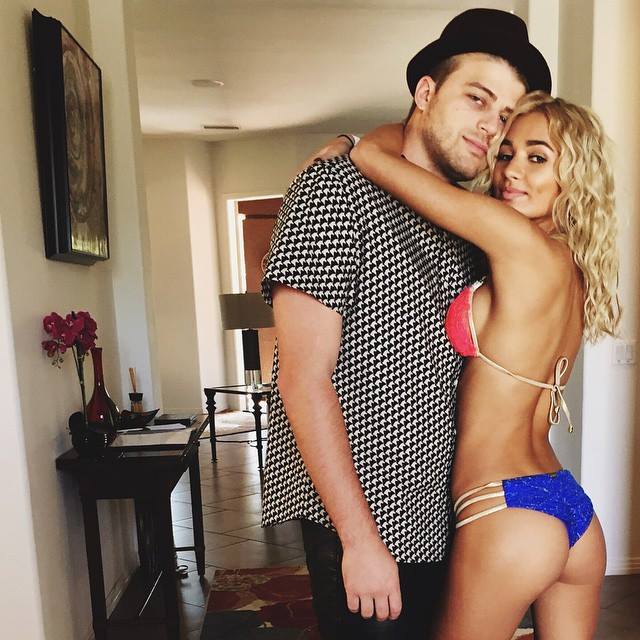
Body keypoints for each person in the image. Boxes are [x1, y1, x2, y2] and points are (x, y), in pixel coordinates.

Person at [261, 9, 551, 639]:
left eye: (506, 115)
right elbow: (302, 380)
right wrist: (359, 541)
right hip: (367, 521)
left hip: (452, 516)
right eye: (477, 98)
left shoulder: (470, 219)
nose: (491, 126)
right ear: (426, 92)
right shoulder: (335, 190)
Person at [344, 91, 620, 639]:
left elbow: (374, 156)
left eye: (537, 157)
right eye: (506, 153)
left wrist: (349, 140)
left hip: (505, 509)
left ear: (574, 174)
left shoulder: (516, 240)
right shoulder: (573, 267)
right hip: (569, 507)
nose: (512, 170)